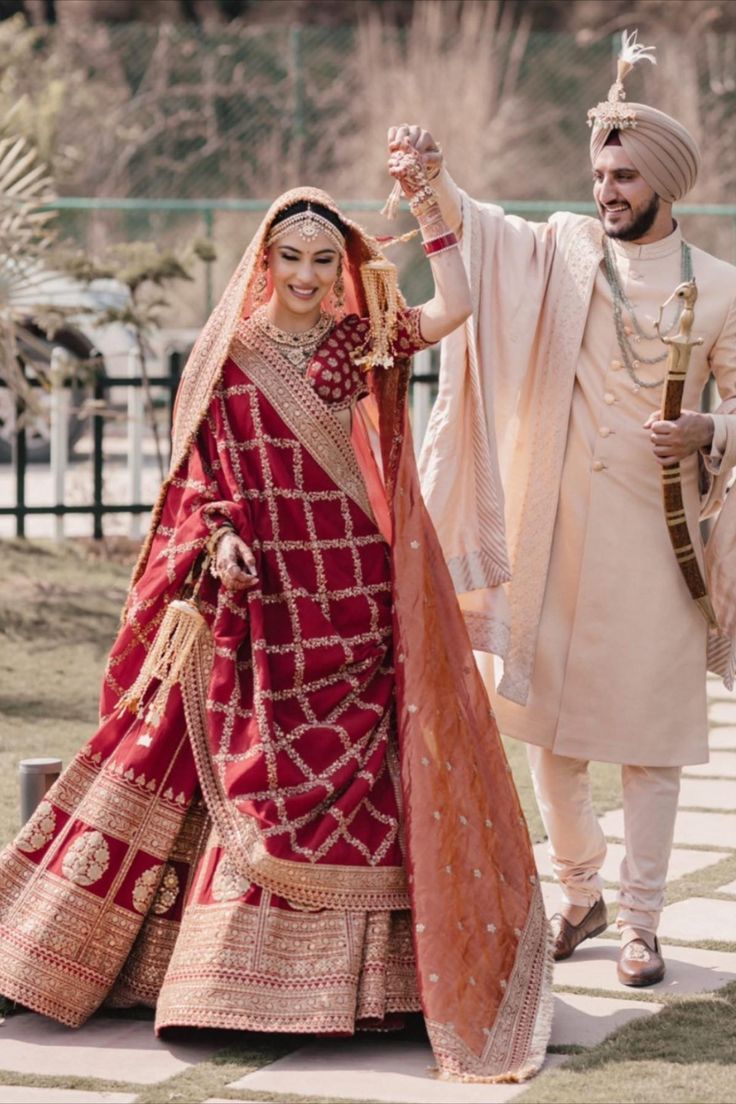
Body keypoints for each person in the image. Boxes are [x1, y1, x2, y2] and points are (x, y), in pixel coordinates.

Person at [0, 160, 553, 1081]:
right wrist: (215, 540)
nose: (305, 275)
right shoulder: (231, 353)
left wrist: (428, 200)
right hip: (258, 599)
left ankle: (374, 992)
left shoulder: (352, 341)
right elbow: (200, 475)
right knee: (176, 750)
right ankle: (67, 957)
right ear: (266, 259)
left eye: (323, 260)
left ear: (343, 266)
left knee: (372, 777)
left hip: (352, 599)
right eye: (291, 257)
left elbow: (453, 306)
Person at [391, 32, 736, 988]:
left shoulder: (719, 289)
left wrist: (709, 429)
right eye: (599, 171)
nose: (605, 189)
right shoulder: (564, 251)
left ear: (663, 181)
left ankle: (642, 924)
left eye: (623, 175)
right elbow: (484, 235)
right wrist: (430, 182)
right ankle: (578, 890)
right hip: (556, 534)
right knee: (547, 731)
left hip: (663, 547)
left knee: (650, 745)